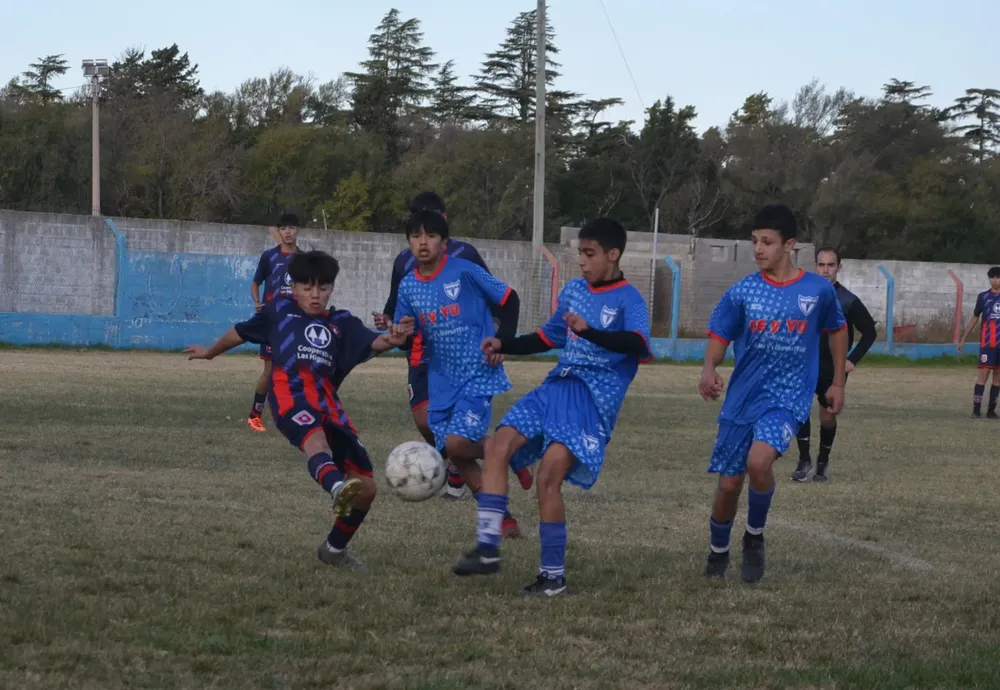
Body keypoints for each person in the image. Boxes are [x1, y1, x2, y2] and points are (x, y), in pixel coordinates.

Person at [451, 218, 652, 597]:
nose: (582, 261)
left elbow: (638, 344)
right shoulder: (575, 290)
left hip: (591, 402)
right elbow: (548, 336)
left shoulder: (630, 299)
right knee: (497, 445)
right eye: (580, 253)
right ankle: (488, 547)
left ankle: (553, 578)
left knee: (548, 477)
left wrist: (590, 331)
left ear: (613, 255)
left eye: (590, 254)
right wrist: (504, 343)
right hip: (556, 388)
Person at [186, 250, 414, 570]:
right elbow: (239, 332)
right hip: (289, 398)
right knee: (315, 441)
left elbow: (374, 343)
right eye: (307, 288)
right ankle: (336, 488)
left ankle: (334, 549)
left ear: (331, 289)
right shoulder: (279, 312)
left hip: (330, 405)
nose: (315, 295)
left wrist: (393, 338)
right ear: (294, 289)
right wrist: (210, 352)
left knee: (367, 488)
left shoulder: (341, 323)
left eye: (322, 288)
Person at [699, 204, 847, 583]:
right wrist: (710, 368)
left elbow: (838, 329)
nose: (759, 249)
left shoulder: (817, 290)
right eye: (754, 242)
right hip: (743, 398)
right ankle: (718, 551)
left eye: (767, 242)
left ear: (790, 245)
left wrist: (837, 382)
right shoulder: (743, 291)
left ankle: (754, 537)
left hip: (787, 398)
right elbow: (720, 334)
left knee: (759, 462)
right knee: (729, 483)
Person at [373, 191, 533, 499]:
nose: (423, 241)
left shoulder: (465, 265)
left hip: (475, 369)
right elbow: (403, 319)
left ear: (444, 238)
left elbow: (505, 297)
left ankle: (508, 453)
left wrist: (503, 340)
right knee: (446, 442)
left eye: (431, 234)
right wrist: (394, 327)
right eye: (416, 234)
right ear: (408, 238)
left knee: (456, 444)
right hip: (436, 372)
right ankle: (500, 518)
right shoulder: (406, 278)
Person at [792, 247, 878, 482]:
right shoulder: (803, 295)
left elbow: (870, 332)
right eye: (822, 265)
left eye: (831, 265)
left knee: (827, 416)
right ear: (815, 266)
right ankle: (804, 460)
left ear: (839, 268)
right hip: (804, 363)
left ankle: (823, 462)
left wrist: (851, 359)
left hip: (832, 367)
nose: (826, 270)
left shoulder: (848, 300)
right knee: (799, 411)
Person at [247, 213, 301, 432]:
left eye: (292, 228)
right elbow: (255, 283)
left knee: (295, 370)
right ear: (279, 231)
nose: (288, 232)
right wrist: (258, 302)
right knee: (269, 370)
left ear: (298, 230)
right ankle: (254, 416)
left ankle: (291, 415)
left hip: (295, 323)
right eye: (283, 228)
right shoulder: (269, 257)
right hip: (272, 323)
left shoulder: (303, 260)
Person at [957, 266, 1000, 419]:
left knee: (998, 376)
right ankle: (976, 409)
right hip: (988, 343)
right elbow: (975, 317)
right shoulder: (983, 297)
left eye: (997, 277)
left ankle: (991, 411)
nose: (995, 280)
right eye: (992, 277)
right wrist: (964, 338)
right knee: (983, 373)